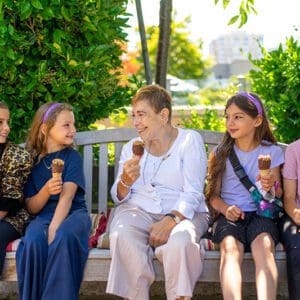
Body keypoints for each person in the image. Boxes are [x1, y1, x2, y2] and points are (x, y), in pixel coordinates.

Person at [106, 84, 209, 300]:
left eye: (142, 115)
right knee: (121, 235)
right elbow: (117, 196)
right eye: (134, 115)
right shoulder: (132, 147)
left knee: (181, 242)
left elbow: (193, 193)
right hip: (138, 211)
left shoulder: (189, 141)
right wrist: (125, 180)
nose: (136, 123)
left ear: (163, 115)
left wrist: (171, 219)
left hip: (184, 215)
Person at [206, 92, 284, 300]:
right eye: (227, 117)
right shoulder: (220, 153)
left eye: (238, 117)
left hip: (261, 215)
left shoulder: (272, 152)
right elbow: (212, 196)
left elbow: (277, 194)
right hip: (230, 216)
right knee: (230, 250)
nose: (230, 122)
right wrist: (225, 209)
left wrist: (270, 186)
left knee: (264, 247)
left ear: (257, 120)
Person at [16, 103, 91, 300]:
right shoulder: (31, 162)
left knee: (63, 236)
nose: (73, 130)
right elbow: (32, 207)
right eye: (66, 125)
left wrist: (54, 227)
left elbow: (67, 197)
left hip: (73, 214)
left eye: (73, 124)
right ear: (45, 129)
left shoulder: (72, 157)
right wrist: (47, 191)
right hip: (42, 216)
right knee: (32, 241)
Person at [0, 101, 33, 277]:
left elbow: (10, 199)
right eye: (0, 122)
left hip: (12, 218)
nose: (7, 128)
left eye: (7, 121)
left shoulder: (18, 156)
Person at [278, 139, 300, 300]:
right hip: (296, 216)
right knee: (297, 247)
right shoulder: (294, 150)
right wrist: (297, 216)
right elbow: (289, 198)